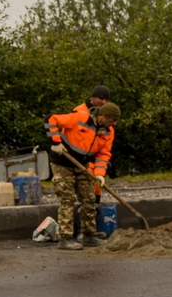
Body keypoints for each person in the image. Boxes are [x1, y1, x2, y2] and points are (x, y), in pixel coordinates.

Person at [45, 102, 120, 250]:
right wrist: (55, 141)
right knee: (67, 198)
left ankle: (88, 235)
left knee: (89, 198)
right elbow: (51, 118)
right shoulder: (79, 117)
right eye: (112, 120)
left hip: (82, 165)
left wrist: (99, 175)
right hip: (62, 163)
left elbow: (103, 155)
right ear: (103, 116)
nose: (114, 124)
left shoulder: (108, 132)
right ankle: (65, 238)